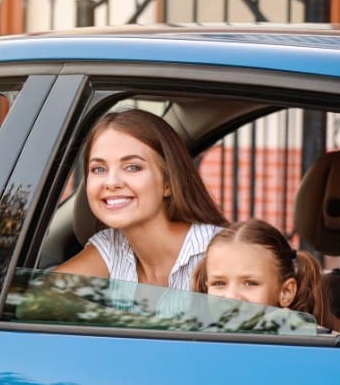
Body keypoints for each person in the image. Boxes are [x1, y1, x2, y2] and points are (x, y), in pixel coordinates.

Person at [55, 108, 227, 289]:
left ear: (168, 183)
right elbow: (39, 297)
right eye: (99, 169)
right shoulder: (111, 246)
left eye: (132, 167)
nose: (111, 182)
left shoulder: (221, 251)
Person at [193, 218, 340, 331]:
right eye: (219, 283)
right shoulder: (194, 340)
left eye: (250, 283)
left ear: (286, 292)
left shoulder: (301, 345)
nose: (231, 297)